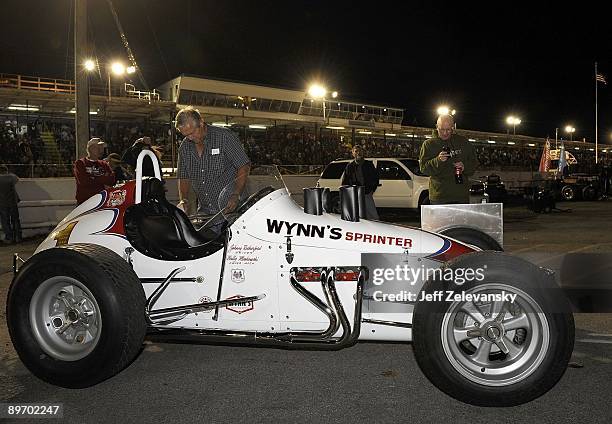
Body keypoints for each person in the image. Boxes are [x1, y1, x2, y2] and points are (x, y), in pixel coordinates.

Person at [175, 107, 250, 234]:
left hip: (232, 212)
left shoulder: (224, 137)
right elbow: (184, 176)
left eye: (192, 132)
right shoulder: (185, 148)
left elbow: (244, 165)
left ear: (201, 123)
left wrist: (236, 194)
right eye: (185, 135)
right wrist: (184, 200)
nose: (190, 138)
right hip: (206, 214)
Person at [419, 114, 477, 204]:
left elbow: (474, 164)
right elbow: (424, 169)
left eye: (448, 130)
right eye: (442, 129)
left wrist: (464, 167)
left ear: (453, 128)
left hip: (461, 196)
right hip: (439, 197)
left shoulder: (463, 142)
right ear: (436, 127)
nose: (445, 133)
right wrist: (438, 160)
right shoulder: (428, 144)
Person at [341, 145, 380, 219]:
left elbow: (375, 178)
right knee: (358, 216)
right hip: (355, 195)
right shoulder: (350, 166)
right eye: (356, 151)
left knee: (373, 216)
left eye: (360, 151)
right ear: (353, 153)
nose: (358, 153)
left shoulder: (369, 165)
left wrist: (372, 190)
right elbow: (345, 182)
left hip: (366, 193)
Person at [73, 138, 116, 205]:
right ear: (90, 149)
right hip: (85, 202)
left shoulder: (104, 164)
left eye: (101, 148)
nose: (101, 150)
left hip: (101, 201)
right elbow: (83, 181)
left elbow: (112, 180)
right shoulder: (80, 163)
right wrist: (103, 178)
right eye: (98, 147)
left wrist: (93, 177)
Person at [0, 165, 22, 243]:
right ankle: (18, 237)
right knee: (15, 220)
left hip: (2, 203)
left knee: (5, 221)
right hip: (12, 202)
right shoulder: (12, 177)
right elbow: (17, 179)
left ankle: (9, 238)